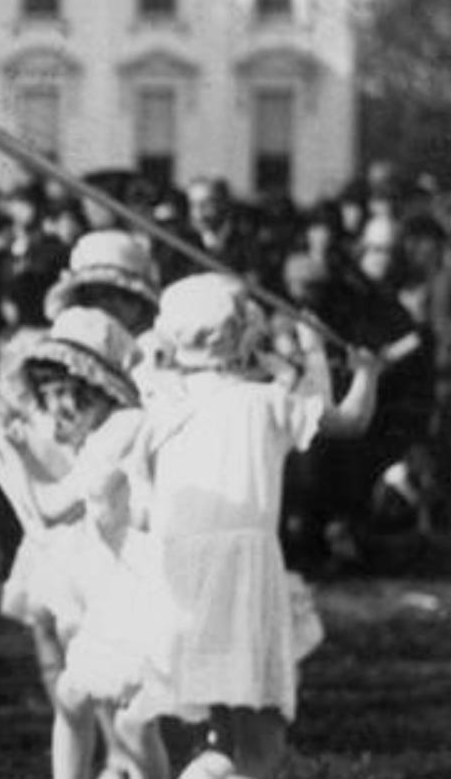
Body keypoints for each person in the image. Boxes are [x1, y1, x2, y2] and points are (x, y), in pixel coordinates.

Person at [133, 274, 381, 779]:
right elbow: (349, 420)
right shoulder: (263, 403)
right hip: (242, 578)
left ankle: (213, 766)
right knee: (263, 733)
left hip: (179, 577)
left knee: (218, 730)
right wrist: (362, 370)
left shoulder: (162, 407)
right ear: (238, 336)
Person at [0, 308, 170, 779]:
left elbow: (54, 509)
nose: (57, 407)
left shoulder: (124, 428)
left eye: (66, 392)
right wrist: (26, 454)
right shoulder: (104, 432)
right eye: (47, 395)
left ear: (97, 385)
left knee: (133, 718)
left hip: (144, 588)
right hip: (121, 586)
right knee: (77, 699)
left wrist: (13, 459)